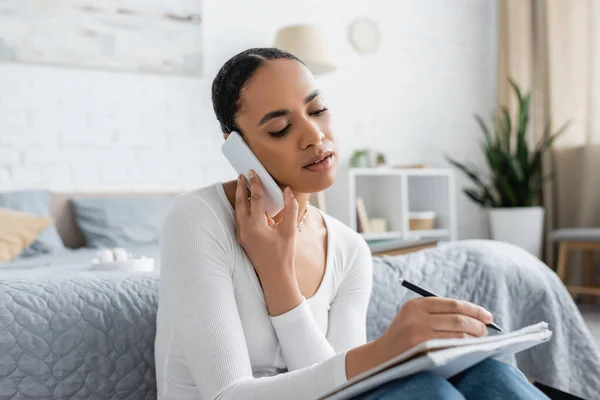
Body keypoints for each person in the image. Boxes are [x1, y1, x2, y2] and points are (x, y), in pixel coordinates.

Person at [154, 47, 549, 400]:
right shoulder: (197, 219)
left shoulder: (347, 247)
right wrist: (386, 350)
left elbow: (342, 391)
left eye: (317, 109)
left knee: (491, 376)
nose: (314, 135)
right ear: (235, 147)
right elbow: (228, 395)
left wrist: (280, 282)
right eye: (280, 128)